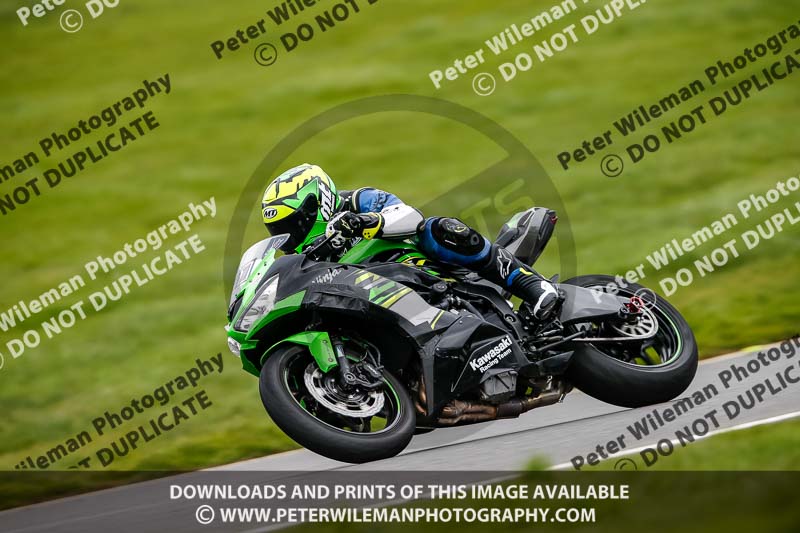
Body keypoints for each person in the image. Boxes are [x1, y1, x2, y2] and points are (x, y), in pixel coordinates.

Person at [261, 163, 558, 319]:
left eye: (292, 223)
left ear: (319, 203)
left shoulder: (357, 201)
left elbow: (409, 216)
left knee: (436, 228)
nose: (288, 235)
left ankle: (531, 284)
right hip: (377, 305)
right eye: (278, 229)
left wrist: (365, 223)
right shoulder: (304, 260)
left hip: (426, 271)